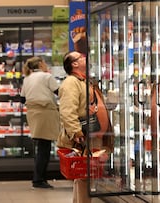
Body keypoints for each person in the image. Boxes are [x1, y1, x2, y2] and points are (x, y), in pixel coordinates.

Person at [57, 51, 111, 203]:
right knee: (84, 176)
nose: (85, 58)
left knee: (84, 176)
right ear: (74, 64)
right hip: (83, 136)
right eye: (81, 57)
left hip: (91, 134)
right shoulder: (70, 83)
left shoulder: (83, 81)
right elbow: (67, 110)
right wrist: (76, 133)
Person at [20, 56, 60, 189]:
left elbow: (22, 98)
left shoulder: (27, 79)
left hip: (33, 114)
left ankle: (39, 178)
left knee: (41, 146)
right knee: (45, 147)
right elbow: (60, 92)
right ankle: (38, 179)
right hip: (46, 112)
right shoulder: (46, 77)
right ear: (41, 64)